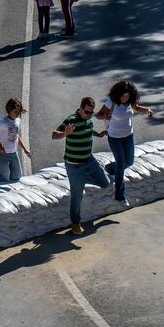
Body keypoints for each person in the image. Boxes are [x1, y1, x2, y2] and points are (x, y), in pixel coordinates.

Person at [53, 97, 110, 234]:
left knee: (106, 182)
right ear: (80, 108)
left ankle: (82, 180)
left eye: (91, 112)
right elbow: (54, 135)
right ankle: (75, 223)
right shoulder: (71, 120)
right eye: (86, 112)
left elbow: (89, 130)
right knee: (77, 196)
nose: (89, 115)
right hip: (74, 166)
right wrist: (65, 133)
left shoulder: (89, 119)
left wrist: (99, 134)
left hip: (89, 160)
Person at [96, 81, 153, 205]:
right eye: (123, 96)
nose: (125, 99)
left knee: (129, 161)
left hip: (128, 136)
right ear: (118, 94)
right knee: (121, 164)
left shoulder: (129, 101)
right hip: (114, 137)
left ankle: (110, 168)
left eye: (127, 96)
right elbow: (98, 115)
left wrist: (147, 110)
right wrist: (105, 116)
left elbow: (136, 108)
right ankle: (120, 196)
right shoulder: (111, 101)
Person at [0, 98, 31, 182]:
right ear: (9, 110)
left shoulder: (18, 121)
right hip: (3, 154)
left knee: (16, 177)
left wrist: (25, 150)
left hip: (14, 154)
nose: (18, 114)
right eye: (15, 111)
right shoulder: (3, 122)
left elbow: (16, 136)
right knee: (5, 178)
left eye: (19, 112)